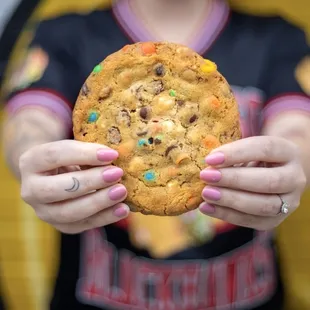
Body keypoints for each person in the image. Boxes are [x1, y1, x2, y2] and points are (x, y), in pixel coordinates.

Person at [2, 0, 310, 309]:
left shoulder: (277, 38)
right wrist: (33, 158)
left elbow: (297, 128)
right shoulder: (65, 34)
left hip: (245, 294)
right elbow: (31, 120)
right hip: (98, 295)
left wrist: (290, 166)